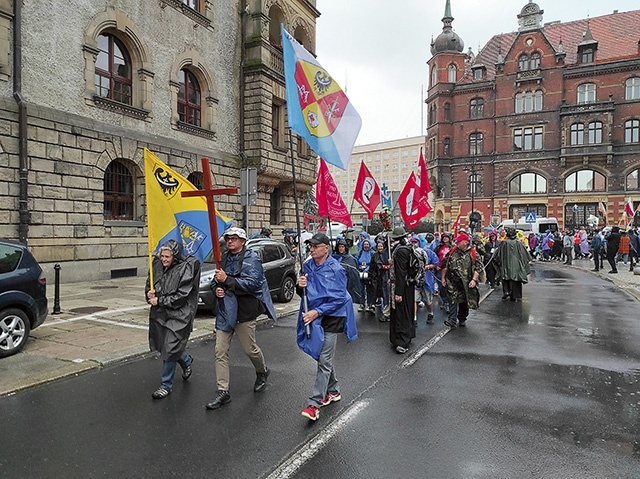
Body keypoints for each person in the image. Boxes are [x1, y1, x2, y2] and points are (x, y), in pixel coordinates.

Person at [206, 227, 277, 410]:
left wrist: (227, 280)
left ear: (243, 241)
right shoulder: (223, 258)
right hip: (224, 312)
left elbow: (252, 284)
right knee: (220, 351)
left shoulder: (252, 259)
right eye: (228, 238)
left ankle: (262, 371)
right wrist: (217, 289)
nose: (230, 241)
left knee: (250, 349)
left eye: (234, 238)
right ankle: (223, 391)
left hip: (244, 312)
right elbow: (215, 281)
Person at [296, 232, 357, 422]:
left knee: (324, 359)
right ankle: (333, 390)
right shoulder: (307, 265)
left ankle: (314, 404)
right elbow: (304, 293)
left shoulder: (336, 269)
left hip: (332, 315)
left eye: (315, 246)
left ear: (326, 248)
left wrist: (318, 311)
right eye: (310, 246)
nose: (311, 249)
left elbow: (339, 298)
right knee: (322, 357)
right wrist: (300, 285)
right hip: (314, 314)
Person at [145, 239, 200, 400]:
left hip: (179, 313)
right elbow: (150, 283)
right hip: (161, 313)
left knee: (169, 347)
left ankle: (166, 385)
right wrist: (149, 294)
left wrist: (160, 301)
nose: (164, 259)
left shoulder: (187, 268)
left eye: (167, 257)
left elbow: (182, 296)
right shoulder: (156, 265)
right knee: (165, 344)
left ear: (174, 256)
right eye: (162, 256)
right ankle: (185, 360)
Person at [441, 232, 482, 328]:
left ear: (465, 242)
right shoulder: (452, 252)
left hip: (466, 282)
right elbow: (445, 265)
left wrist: (474, 280)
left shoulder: (473, 253)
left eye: (459, 242)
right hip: (452, 282)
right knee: (452, 299)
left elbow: (478, 268)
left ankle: (462, 318)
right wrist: (443, 278)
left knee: (464, 301)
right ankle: (452, 319)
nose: (457, 244)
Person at [389, 227, 415, 353]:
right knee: (406, 311)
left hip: (402, 286)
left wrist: (398, 292)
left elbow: (401, 273)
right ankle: (405, 337)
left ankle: (402, 341)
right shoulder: (407, 248)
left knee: (401, 313)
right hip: (407, 285)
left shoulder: (400, 251)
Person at [495, 228, 531, 301]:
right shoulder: (518, 243)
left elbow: (498, 255)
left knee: (506, 277)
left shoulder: (504, 243)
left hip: (506, 265)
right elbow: (525, 255)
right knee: (516, 279)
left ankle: (507, 291)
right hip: (517, 265)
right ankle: (516, 294)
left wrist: (499, 262)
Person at [410, 235, 439, 325]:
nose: (414, 244)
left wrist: (428, 266)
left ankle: (430, 313)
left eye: (416, 242)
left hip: (426, 280)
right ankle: (414, 318)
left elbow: (436, 262)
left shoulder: (428, 252)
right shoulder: (410, 253)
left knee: (428, 300)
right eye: (412, 242)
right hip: (415, 280)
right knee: (414, 299)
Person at [332, 238, 364, 306]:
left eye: (342, 247)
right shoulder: (333, 258)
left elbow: (354, 273)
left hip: (347, 283)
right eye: (339, 247)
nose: (341, 248)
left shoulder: (350, 259)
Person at [369, 240, 391, 318]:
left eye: (381, 246)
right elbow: (375, 265)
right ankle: (373, 305)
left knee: (385, 293)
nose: (380, 248)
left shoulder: (387, 254)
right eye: (379, 246)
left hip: (385, 276)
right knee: (375, 292)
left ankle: (385, 308)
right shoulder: (375, 255)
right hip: (376, 276)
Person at [354, 238, 375, 313]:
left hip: (368, 273)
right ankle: (362, 304)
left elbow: (373, 263)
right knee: (361, 289)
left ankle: (369, 304)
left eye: (367, 244)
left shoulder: (372, 253)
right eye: (364, 244)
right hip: (360, 272)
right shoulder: (359, 253)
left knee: (369, 289)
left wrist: (367, 269)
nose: (366, 246)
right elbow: (356, 261)